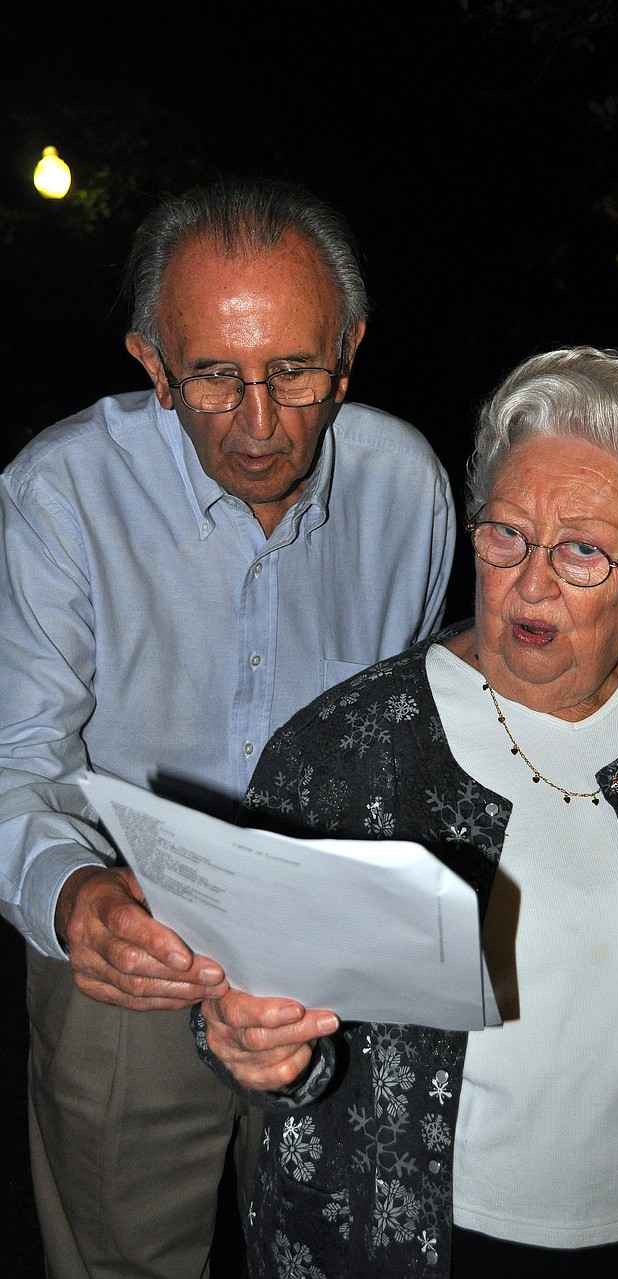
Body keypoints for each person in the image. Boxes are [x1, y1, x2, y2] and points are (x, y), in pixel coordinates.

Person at [194, 345, 618, 1279]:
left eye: (582, 549)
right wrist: (254, 1044)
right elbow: (241, 1003)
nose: (531, 583)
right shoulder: (347, 752)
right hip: (423, 1248)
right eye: (505, 534)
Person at [0, 176, 456, 1279]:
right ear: (152, 362)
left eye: (295, 372)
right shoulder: (60, 494)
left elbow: (416, 729)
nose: (259, 424)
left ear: (348, 350)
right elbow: (18, 761)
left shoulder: (410, 488)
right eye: (212, 375)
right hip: (134, 943)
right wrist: (72, 896)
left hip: (330, 953)